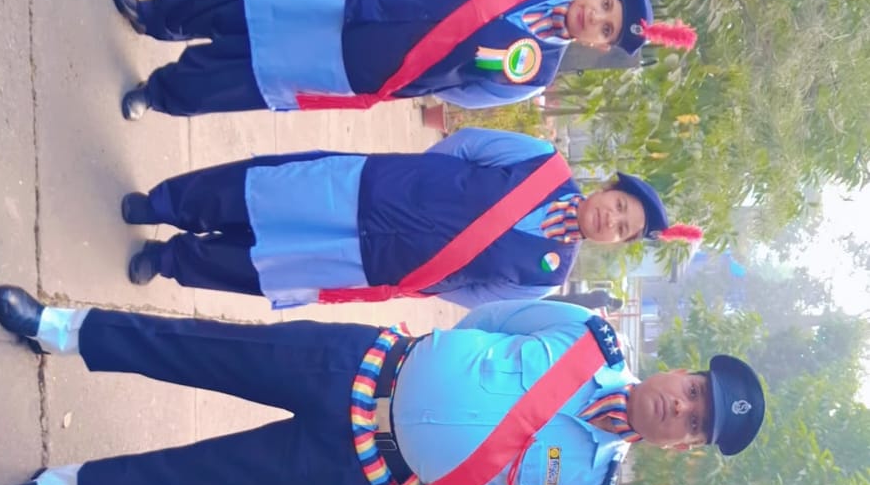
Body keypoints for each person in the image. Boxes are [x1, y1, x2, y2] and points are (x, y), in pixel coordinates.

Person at [0, 293, 765, 485]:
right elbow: (492, 321)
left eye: (693, 423)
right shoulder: (588, 337)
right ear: (680, 370)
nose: (680, 408)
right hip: (357, 364)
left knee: (203, 474)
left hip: (358, 463)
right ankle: (60, 328)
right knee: (206, 348)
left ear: (682, 447)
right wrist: (437, 381)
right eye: (694, 391)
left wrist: (427, 450)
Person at [111, 0, 696, 121]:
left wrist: (410, 62)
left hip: (374, 61)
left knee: (258, 74)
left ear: (597, 45)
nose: (595, 17)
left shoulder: (531, 73)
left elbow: (460, 91)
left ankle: (159, 94)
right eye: (603, 5)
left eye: (605, 28)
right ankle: (158, 14)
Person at [121, 137, 701, 306]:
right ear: (609, 189)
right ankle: (165, 205)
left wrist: (419, 267)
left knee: (267, 266)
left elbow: (472, 296)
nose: (612, 221)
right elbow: (467, 145)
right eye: (621, 208)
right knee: (263, 192)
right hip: (374, 188)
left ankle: (171, 260)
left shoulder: (546, 274)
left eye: (622, 229)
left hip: (379, 264)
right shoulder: (542, 165)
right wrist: (417, 188)